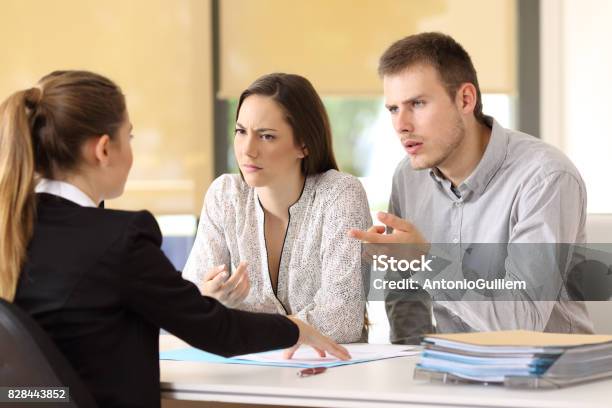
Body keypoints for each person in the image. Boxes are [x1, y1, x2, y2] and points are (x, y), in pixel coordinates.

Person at [0, 70, 350, 408]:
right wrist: (293, 328)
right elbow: (215, 329)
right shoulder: (118, 240)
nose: (248, 149)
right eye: (130, 137)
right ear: (104, 150)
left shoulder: (11, 226)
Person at [349, 32, 593, 344]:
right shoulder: (409, 177)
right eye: (393, 109)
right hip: (455, 374)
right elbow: (405, 292)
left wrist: (426, 261)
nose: (401, 125)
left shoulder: (546, 177)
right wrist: (412, 360)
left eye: (417, 103)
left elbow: (523, 320)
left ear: (466, 99)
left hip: (546, 375)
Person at [183, 73, 372, 343]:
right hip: (243, 375)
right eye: (240, 131)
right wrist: (208, 299)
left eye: (267, 136)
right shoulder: (225, 196)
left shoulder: (339, 194)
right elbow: (186, 310)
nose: (247, 150)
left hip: (330, 377)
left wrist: (231, 325)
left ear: (303, 144)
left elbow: (341, 320)